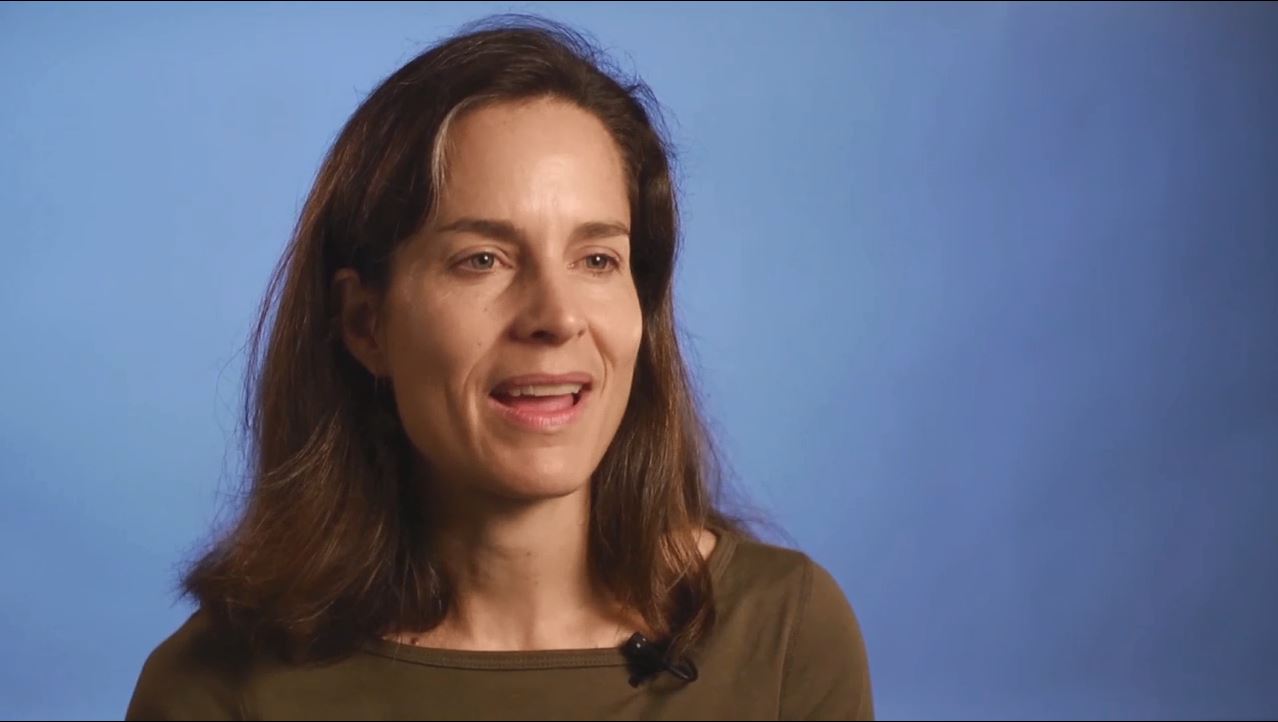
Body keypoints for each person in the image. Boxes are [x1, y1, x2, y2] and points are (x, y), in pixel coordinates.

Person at [125, 15, 873, 721]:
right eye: (482, 259)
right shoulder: (216, 689)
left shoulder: (786, 637)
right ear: (365, 324)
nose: (556, 315)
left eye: (597, 259)